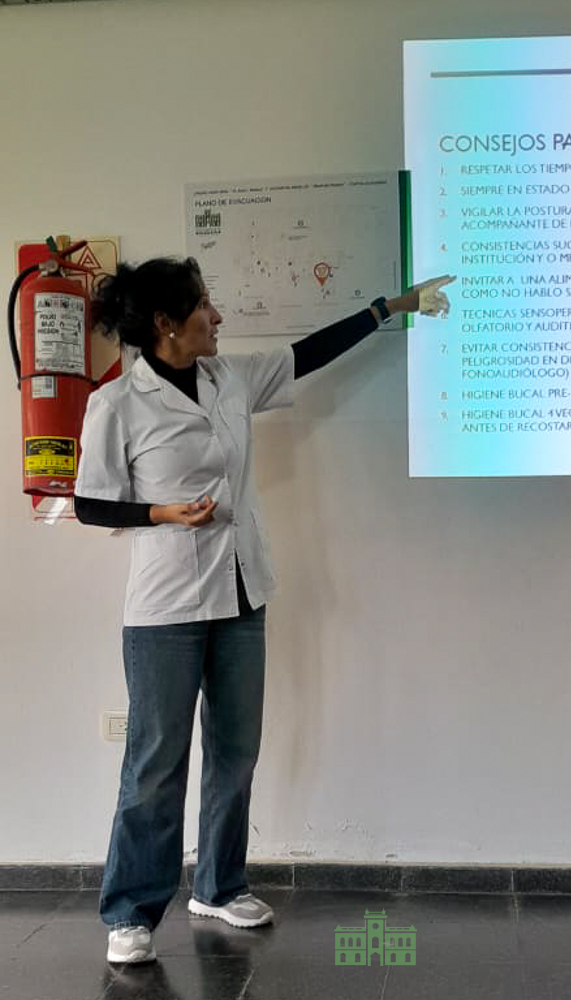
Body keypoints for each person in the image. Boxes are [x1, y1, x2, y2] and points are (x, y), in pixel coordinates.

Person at [74, 256, 453, 964]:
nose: (217, 316)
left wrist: (390, 306)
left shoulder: (229, 377)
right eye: (203, 306)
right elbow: (90, 504)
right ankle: (130, 912)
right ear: (165, 323)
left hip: (243, 590)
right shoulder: (117, 404)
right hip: (165, 607)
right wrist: (161, 513)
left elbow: (307, 354)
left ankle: (219, 886)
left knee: (235, 752)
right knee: (155, 763)